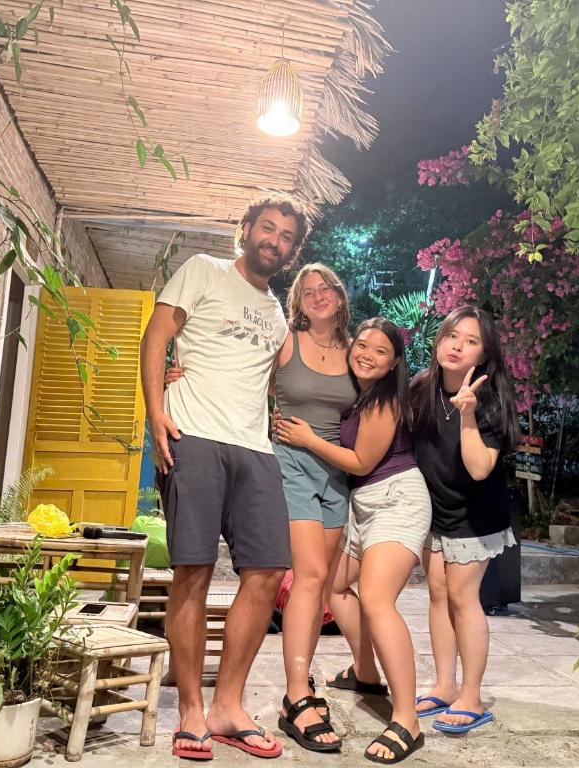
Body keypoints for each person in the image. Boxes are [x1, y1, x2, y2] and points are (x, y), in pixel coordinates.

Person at [140, 193, 310, 761]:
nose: (275, 241)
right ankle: (191, 709)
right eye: (268, 228)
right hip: (194, 435)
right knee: (193, 568)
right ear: (246, 229)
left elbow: (281, 375)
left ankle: (228, 705)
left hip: (254, 447)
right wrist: (156, 408)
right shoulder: (203, 270)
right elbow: (155, 337)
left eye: (287, 236)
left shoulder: (278, 312)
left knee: (267, 571)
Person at [167, 263, 356, 753]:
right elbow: (238, 362)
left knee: (281, 574)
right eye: (307, 290)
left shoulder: (354, 350)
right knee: (204, 569)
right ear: (297, 301)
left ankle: (230, 706)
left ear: (341, 295)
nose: (318, 295)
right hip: (273, 454)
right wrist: (175, 378)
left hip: (320, 470)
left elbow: (378, 390)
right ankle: (204, 708)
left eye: (326, 287)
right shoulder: (283, 336)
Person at [275, 318, 429, 765]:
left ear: (394, 361)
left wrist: (306, 438)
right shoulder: (354, 392)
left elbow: (361, 460)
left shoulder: (385, 400)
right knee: (333, 586)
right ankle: (365, 671)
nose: (367, 354)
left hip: (396, 498)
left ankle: (407, 719)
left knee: (377, 599)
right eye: (362, 344)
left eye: (380, 350)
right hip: (361, 502)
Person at [409, 305, 519, 734]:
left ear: (484, 355)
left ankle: (471, 693)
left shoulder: (490, 400)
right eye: (452, 335)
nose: (457, 346)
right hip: (434, 512)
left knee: (462, 596)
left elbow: (478, 468)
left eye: (471, 341)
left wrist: (469, 412)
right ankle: (444, 683)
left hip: (476, 516)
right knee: (437, 594)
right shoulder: (423, 387)